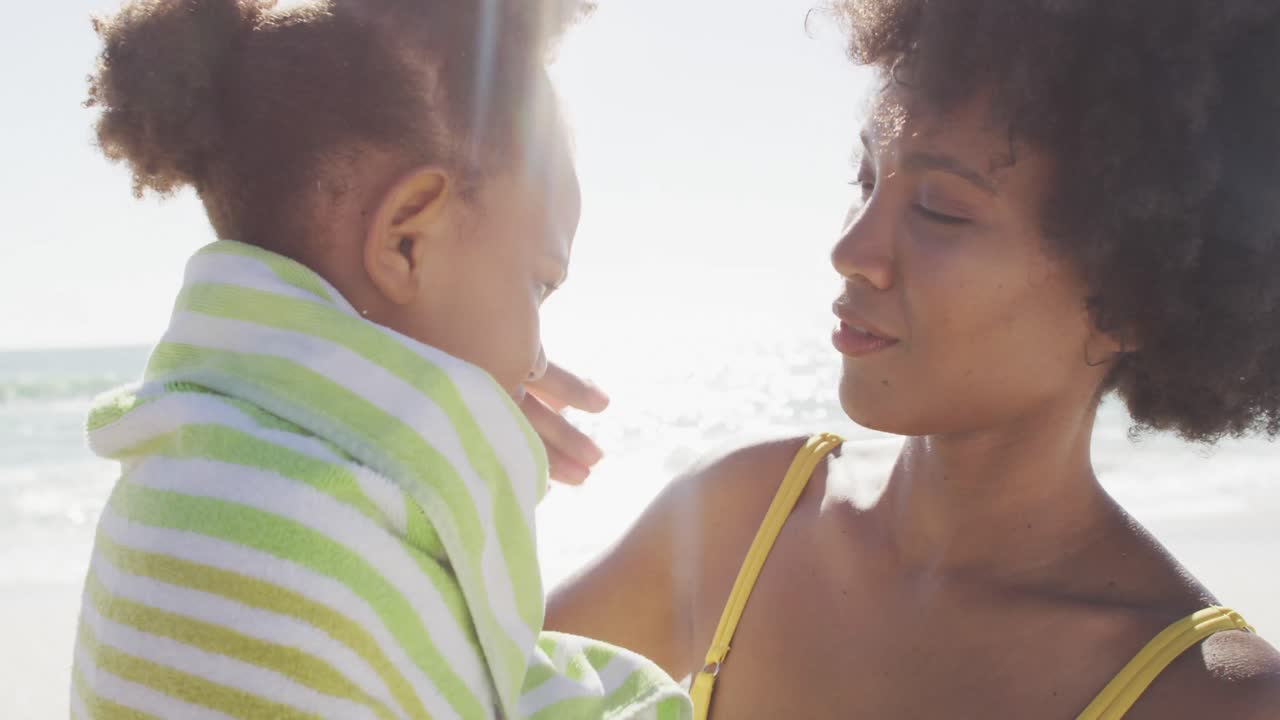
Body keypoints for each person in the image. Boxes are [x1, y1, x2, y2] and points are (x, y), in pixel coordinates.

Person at [542, 1, 1280, 717]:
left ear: (1133, 300)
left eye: (939, 209)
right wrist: (435, 425)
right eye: (865, 181)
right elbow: (447, 688)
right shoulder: (742, 518)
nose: (850, 251)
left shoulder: (1210, 699)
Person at [70, 0, 690, 718]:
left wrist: (431, 427)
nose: (536, 357)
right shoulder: (310, 557)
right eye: (539, 286)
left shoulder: (190, 460)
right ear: (404, 241)